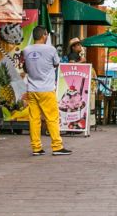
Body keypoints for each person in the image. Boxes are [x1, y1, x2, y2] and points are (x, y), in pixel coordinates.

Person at [22, 26, 71, 156]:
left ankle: (36, 148)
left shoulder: (26, 50)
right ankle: (57, 146)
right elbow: (56, 64)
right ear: (44, 35)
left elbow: (25, 68)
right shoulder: (51, 49)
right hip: (47, 89)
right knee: (52, 118)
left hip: (32, 90)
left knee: (34, 119)